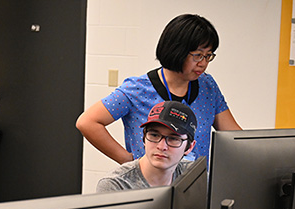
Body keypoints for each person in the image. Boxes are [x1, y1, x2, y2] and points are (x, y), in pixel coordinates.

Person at [76, 13, 240, 165]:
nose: (203, 63)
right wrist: (129, 162)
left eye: (208, 56)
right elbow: (87, 122)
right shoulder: (138, 89)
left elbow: (234, 136)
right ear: (177, 51)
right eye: (197, 55)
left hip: (195, 185)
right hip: (151, 187)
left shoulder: (207, 86)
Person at [97, 101, 196, 192]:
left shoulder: (194, 176)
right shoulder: (116, 185)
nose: (161, 146)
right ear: (144, 138)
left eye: (173, 139)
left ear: (190, 147)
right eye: (154, 135)